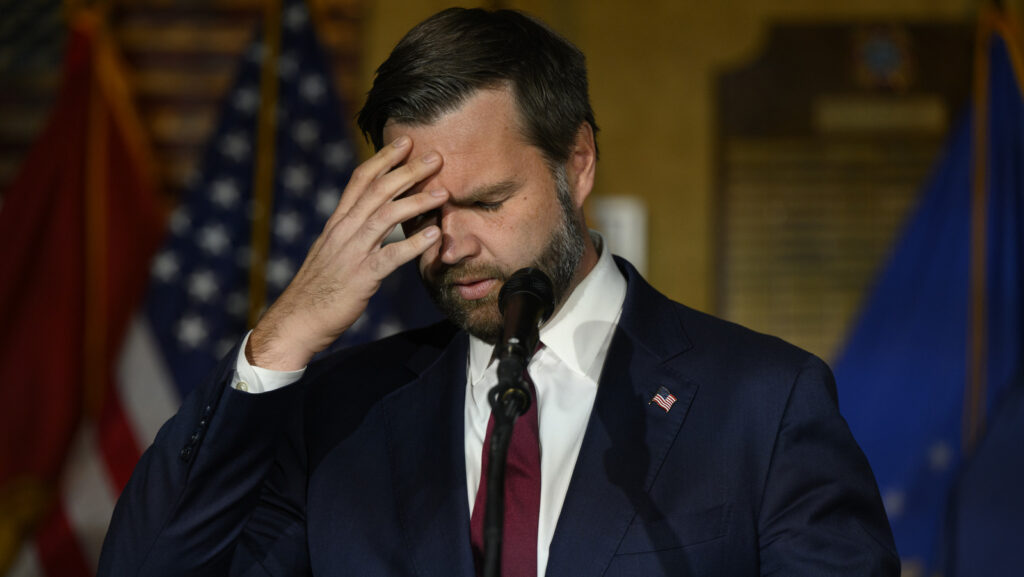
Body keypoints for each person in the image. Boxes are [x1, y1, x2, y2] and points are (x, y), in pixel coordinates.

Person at [99, 7, 899, 576]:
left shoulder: (764, 403)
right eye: (419, 215)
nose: (451, 245)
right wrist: (286, 334)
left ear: (576, 164)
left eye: (485, 203)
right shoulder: (341, 415)